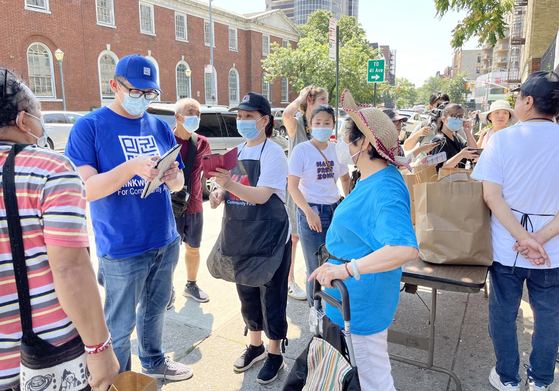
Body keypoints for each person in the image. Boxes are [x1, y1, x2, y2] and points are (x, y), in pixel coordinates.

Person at [65, 55, 192, 381]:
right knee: (119, 326)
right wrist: (131, 168)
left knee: (154, 311)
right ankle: (118, 382)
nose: (144, 99)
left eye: (150, 93)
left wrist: (172, 176)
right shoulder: (89, 127)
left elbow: (179, 185)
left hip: (164, 238)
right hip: (122, 246)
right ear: (115, 86)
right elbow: (87, 189)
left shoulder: (159, 126)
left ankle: (153, 362)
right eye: (136, 91)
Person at [0, 68, 119, 391]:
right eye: (39, 114)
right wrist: (99, 349)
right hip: (43, 358)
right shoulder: (49, 169)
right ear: (24, 121)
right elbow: (69, 268)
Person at [309, 90, 418, 391]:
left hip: (360, 303)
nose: (342, 142)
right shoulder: (370, 177)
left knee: (373, 380)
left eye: (346, 136)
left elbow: (404, 248)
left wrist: (343, 270)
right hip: (348, 298)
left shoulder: (385, 186)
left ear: (364, 142)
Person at [472, 71, 559, 391]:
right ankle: (541, 380)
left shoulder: (503, 139)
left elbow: (490, 195)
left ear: (529, 101)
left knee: (504, 314)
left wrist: (524, 238)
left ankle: (508, 377)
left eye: (518, 96)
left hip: (508, 246)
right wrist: (539, 239)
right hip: (552, 249)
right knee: (549, 317)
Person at [208, 92, 291, 385]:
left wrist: (230, 184)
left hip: (270, 239)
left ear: (265, 120)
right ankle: (255, 345)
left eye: (248, 117)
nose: (241, 121)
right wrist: (219, 194)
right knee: (247, 295)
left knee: (272, 296)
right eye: (239, 116)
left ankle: (275, 353)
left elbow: (262, 195)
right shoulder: (237, 151)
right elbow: (231, 188)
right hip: (241, 236)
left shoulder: (274, 153)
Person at [288, 105, 350, 305]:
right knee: (314, 266)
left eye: (326, 123)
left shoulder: (335, 149)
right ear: (310, 126)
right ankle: (315, 313)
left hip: (335, 210)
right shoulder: (302, 150)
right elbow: (292, 186)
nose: (322, 126)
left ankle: (334, 309)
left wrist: (347, 207)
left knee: (336, 262)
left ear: (333, 125)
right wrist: (308, 212)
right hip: (313, 211)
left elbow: (345, 179)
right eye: (317, 123)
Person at [281, 85, 328, 300]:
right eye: (322, 99)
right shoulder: (298, 124)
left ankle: (314, 280)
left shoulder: (319, 125)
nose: (326, 103)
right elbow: (286, 114)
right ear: (310, 100)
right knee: (294, 236)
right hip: (297, 190)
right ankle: (289, 281)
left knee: (308, 237)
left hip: (316, 190)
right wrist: (300, 96)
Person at [168, 98, 212, 309]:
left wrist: (217, 191)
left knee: (193, 248)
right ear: (177, 117)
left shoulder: (202, 142)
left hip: (194, 204)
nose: (195, 117)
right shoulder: (165, 139)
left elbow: (210, 171)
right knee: (168, 251)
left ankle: (191, 285)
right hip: (168, 205)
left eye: (198, 114)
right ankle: (167, 289)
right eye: (190, 113)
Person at [428, 103, 478, 171]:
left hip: (458, 180)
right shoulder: (438, 141)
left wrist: (468, 133)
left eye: (460, 116)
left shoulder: (458, 139)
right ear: (443, 119)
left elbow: (475, 154)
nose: (457, 119)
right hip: (444, 181)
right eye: (454, 116)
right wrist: (460, 155)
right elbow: (439, 169)